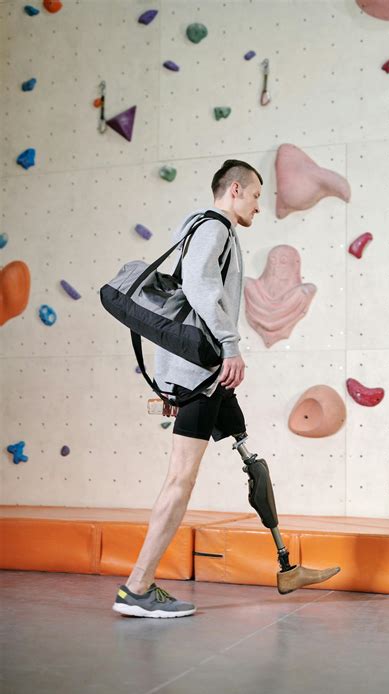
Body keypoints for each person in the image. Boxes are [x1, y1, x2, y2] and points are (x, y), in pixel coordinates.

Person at [112, 160, 263, 619]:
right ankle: (137, 587)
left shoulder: (196, 225)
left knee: (190, 472)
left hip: (194, 373)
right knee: (180, 480)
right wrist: (231, 346)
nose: (260, 205)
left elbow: (176, 304)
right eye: (257, 195)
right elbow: (197, 289)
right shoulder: (215, 226)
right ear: (235, 190)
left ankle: (139, 586)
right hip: (201, 372)